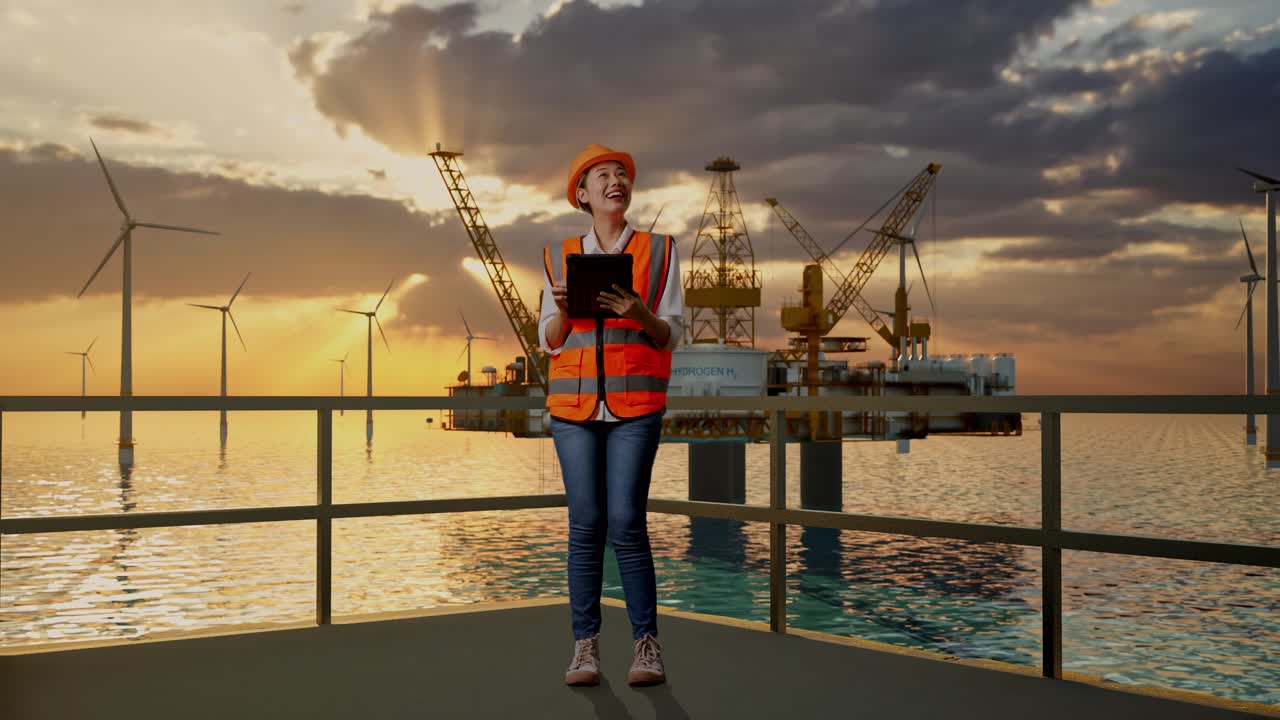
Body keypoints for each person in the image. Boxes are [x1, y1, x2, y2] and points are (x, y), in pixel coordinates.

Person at [538, 143, 684, 687]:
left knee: (626, 523)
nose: (615, 180)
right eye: (602, 174)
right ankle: (586, 649)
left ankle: (647, 647)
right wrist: (562, 311)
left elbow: (671, 334)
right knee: (585, 527)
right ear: (582, 193)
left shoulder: (661, 251)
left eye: (621, 173)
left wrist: (639, 311)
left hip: (635, 408)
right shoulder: (559, 256)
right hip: (573, 408)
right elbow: (549, 339)